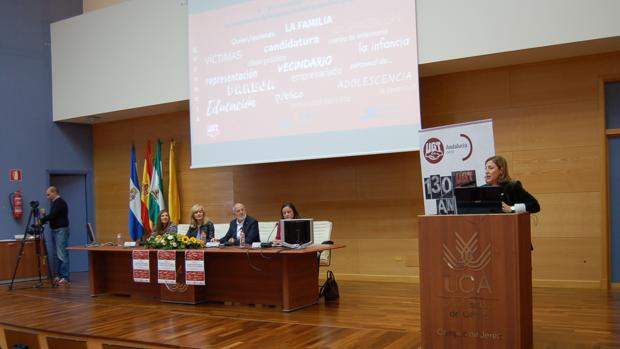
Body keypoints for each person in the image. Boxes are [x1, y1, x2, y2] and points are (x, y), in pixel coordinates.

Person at [39, 186, 70, 286]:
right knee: (57, 254)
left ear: (54, 192)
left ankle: (65, 277)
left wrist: (41, 220)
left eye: (48, 194)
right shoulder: (55, 203)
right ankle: (59, 276)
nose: (47, 197)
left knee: (62, 254)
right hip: (56, 230)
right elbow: (53, 217)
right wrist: (44, 216)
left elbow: (52, 216)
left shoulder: (60, 202)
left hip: (61, 230)